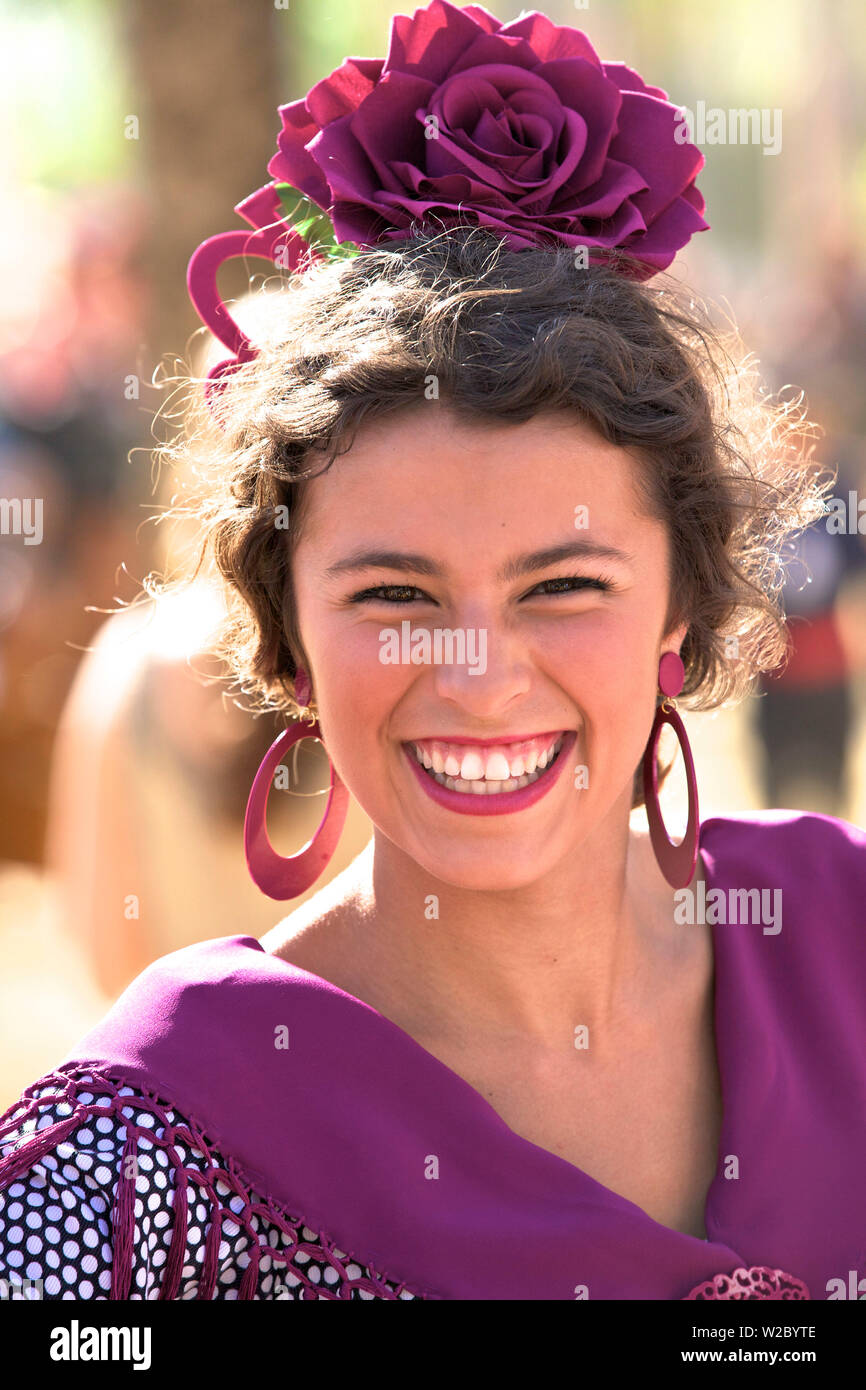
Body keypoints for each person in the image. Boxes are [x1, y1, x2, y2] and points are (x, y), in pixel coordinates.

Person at [1, 0, 863, 1302]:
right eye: (397, 590)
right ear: (287, 635)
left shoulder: (842, 940)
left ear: (678, 613)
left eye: (562, 584)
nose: (477, 671)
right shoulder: (141, 1165)